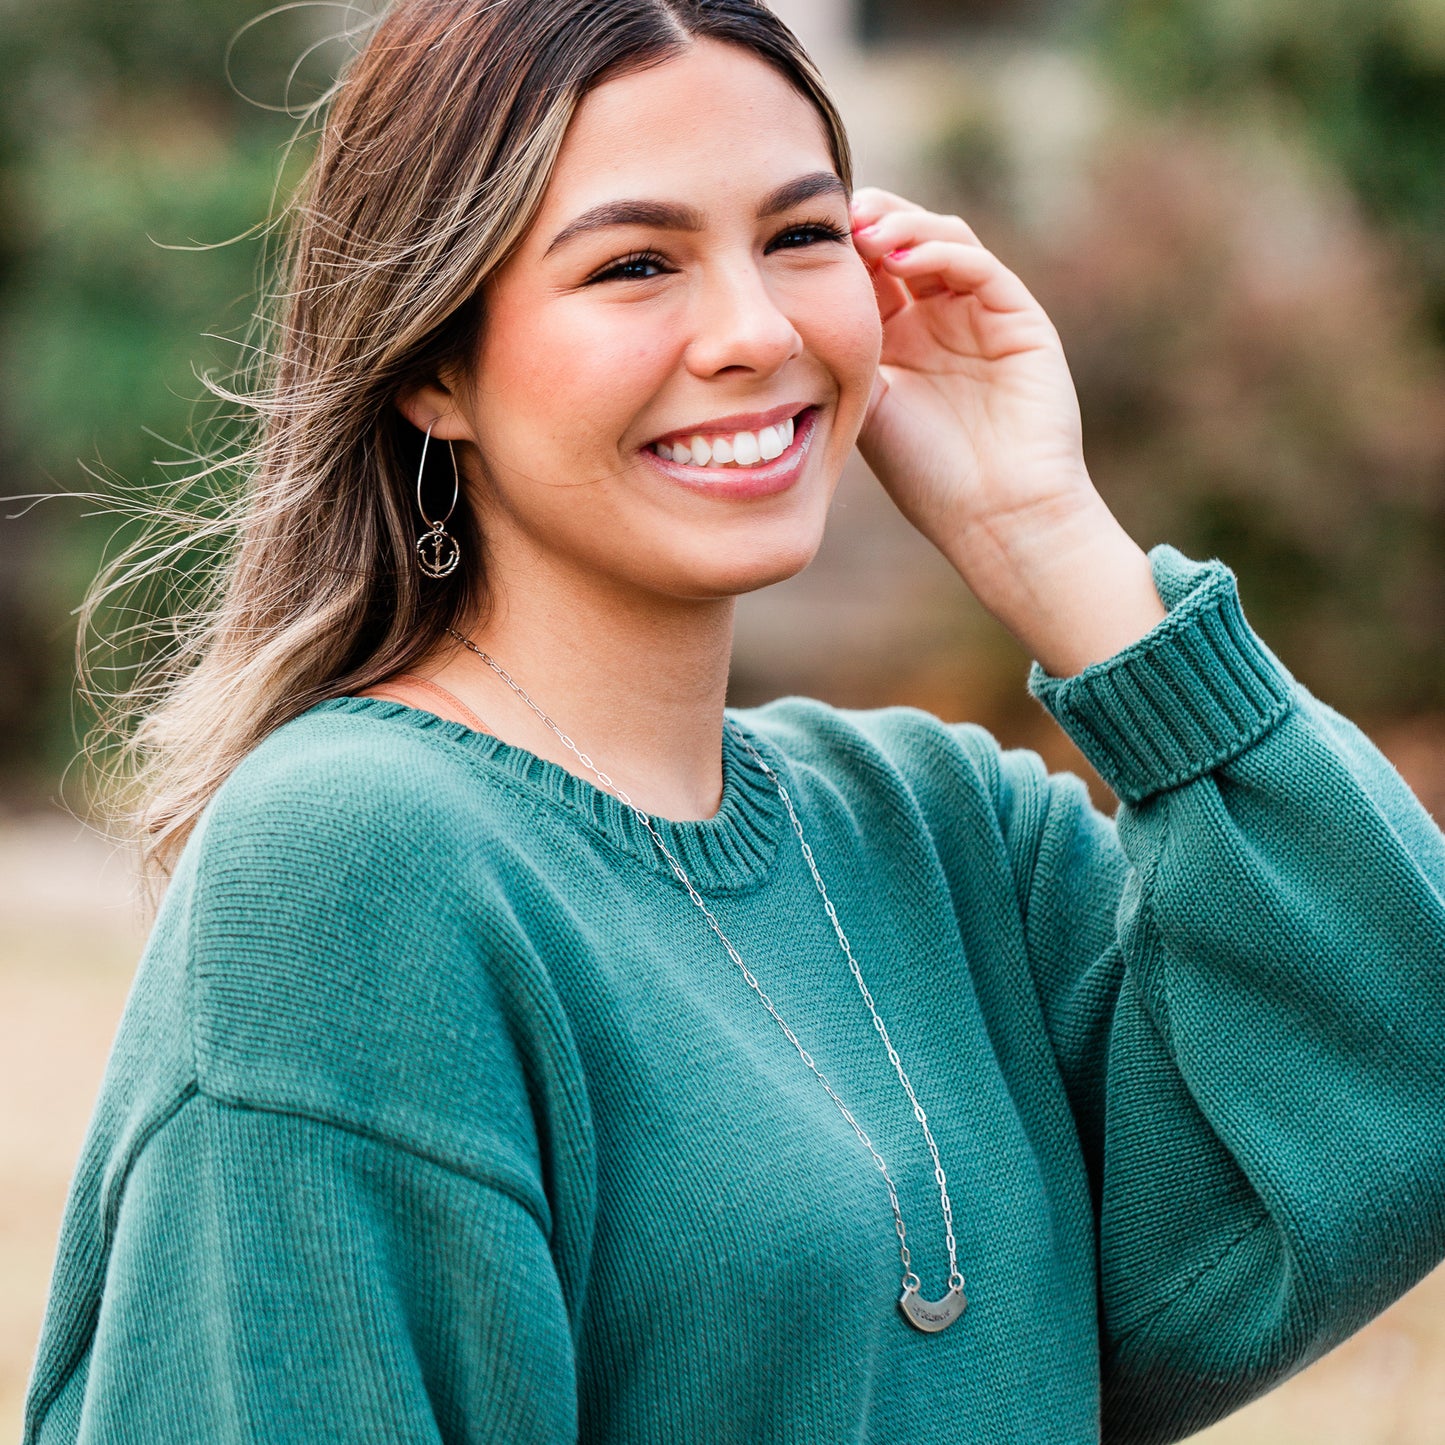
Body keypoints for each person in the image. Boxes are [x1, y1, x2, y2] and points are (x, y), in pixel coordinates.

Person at [22, 1, 1445, 1441]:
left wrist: (1052, 543)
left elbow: (1406, 1077)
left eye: (799, 237)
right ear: (431, 367)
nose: (754, 332)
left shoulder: (945, 834)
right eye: (636, 262)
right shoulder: (354, 866)